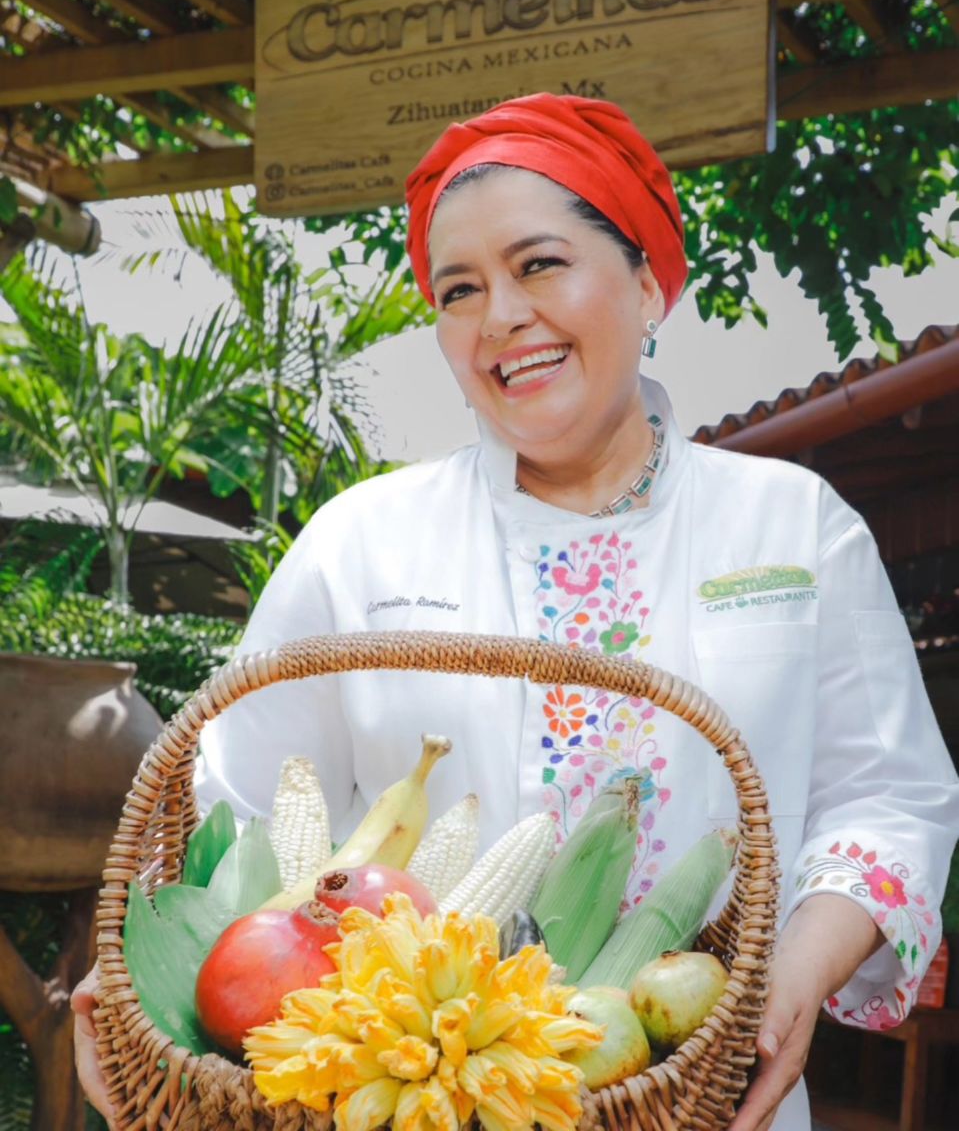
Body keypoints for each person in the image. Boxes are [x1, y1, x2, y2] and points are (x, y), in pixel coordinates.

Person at [74, 93, 959, 1131]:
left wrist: (794, 977)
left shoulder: (792, 527)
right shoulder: (361, 542)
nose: (498, 317)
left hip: (707, 1097)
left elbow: (885, 800)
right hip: (399, 1094)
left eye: (538, 264)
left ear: (642, 281)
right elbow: (227, 812)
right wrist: (140, 986)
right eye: (458, 290)